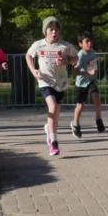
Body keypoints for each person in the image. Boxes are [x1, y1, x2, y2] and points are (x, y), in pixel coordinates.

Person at [25, 16, 78, 157]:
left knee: (56, 113)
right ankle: (53, 141)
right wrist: (33, 71)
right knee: (52, 107)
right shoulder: (38, 45)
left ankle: (49, 129)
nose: (54, 32)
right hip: (44, 81)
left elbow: (76, 57)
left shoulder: (65, 46)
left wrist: (65, 61)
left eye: (56, 30)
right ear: (45, 31)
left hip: (60, 82)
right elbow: (28, 56)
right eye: (51, 29)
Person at [71, 32, 105, 139]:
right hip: (81, 84)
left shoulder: (93, 53)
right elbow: (75, 72)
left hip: (91, 82)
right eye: (87, 41)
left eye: (91, 41)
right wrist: (86, 72)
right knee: (80, 106)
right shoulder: (79, 55)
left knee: (97, 98)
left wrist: (94, 70)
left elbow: (93, 68)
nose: (90, 43)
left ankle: (98, 120)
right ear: (80, 44)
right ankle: (75, 124)